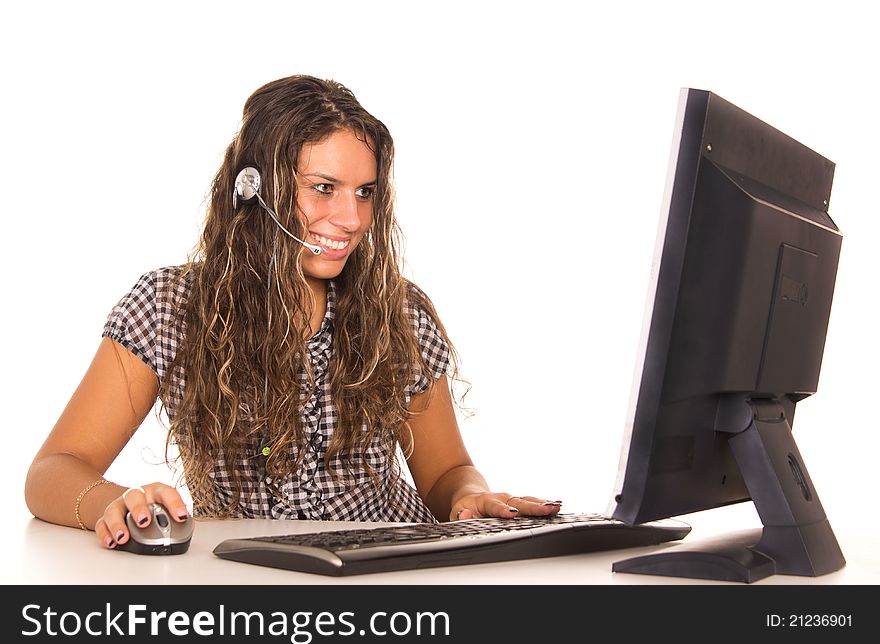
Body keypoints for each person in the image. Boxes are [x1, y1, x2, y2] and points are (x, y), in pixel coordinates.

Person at [24, 75, 561, 550]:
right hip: (250, 578)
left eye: (365, 192)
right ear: (255, 189)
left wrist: (471, 497)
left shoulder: (399, 311)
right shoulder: (169, 309)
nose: (350, 219)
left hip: (387, 573)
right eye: (323, 188)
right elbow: (52, 470)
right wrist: (110, 502)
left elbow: (445, 471)